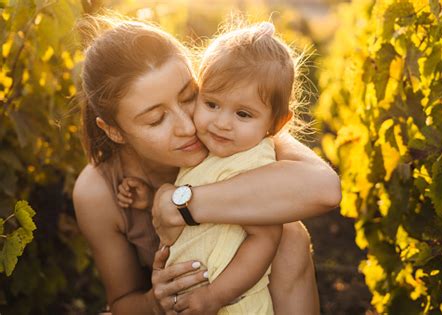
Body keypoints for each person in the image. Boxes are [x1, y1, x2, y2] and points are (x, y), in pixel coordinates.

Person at [72, 15, 341, 315]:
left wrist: (180, 205)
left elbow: (325, 189)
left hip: (238, 295)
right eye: (156, 119)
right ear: (114, 131)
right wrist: (156, 302)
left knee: (290, 234)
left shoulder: (231, 124)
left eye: (190, 97)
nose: (187, 126)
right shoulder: (97, 191)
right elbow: (122, 302)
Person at [116, 21, 305, 314]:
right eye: (212, 104)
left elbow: (264, 241)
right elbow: (198, 191)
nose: (221, 123)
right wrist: (152, 197)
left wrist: (214, 296)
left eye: (243, 114)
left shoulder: (254, 165)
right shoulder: (210, 149)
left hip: (233, 306)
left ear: (276, 124)